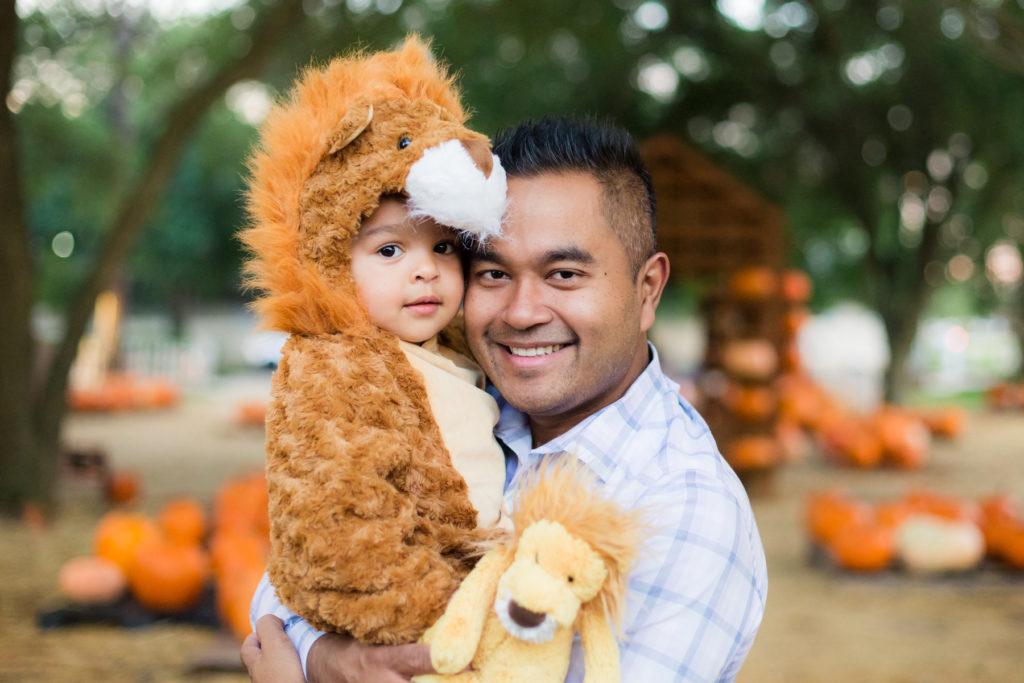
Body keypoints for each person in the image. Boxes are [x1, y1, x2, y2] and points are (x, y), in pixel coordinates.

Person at [243, 117, 768, 683]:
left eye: (563, 274)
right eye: (493, 273)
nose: (521, 313)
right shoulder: (452, 396)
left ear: (647, 291)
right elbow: (283, 586)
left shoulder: (681, 508)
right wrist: (325, 658)